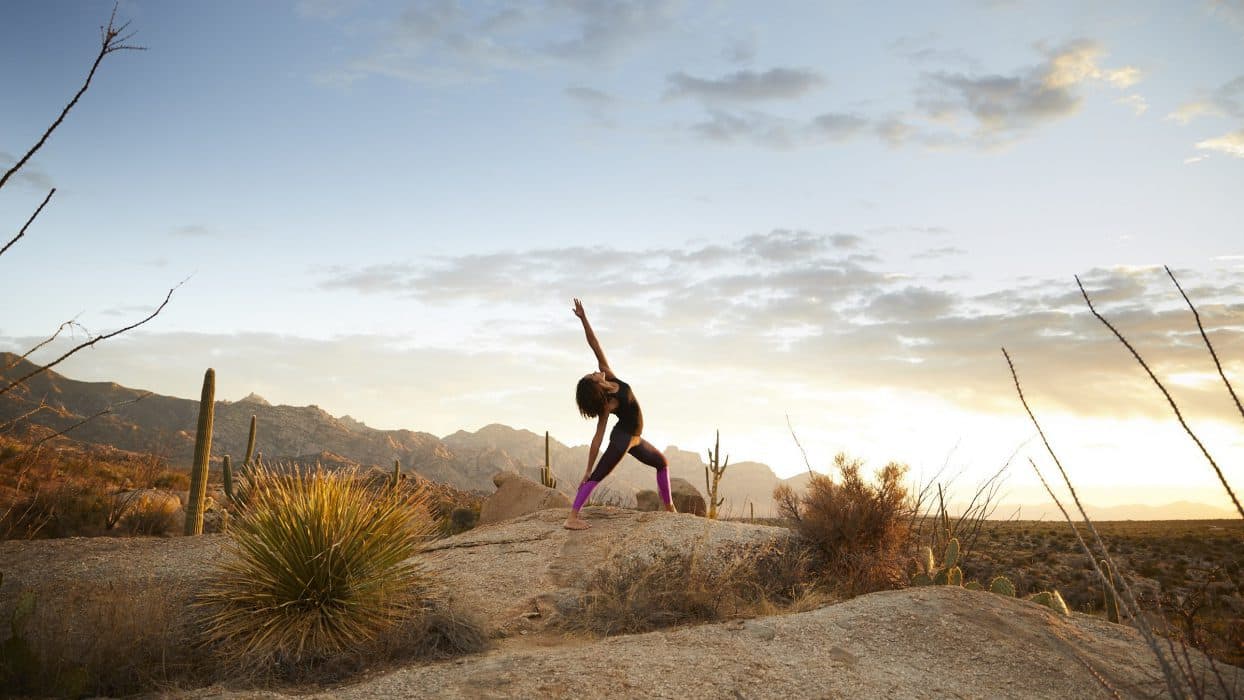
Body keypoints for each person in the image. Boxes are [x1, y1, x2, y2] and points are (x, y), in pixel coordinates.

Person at [565, 298, 676, 530]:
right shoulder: (609, 404)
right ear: (596, 387)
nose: (595, 371)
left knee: (662, 463)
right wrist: (587, 468)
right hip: (623, 439)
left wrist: (584, 319)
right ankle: (572, 517)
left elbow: (594, 344)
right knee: (597, 475)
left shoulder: (608, 373)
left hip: (635, 439)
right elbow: (598, 437)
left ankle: (670, 509)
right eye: (591, 375)